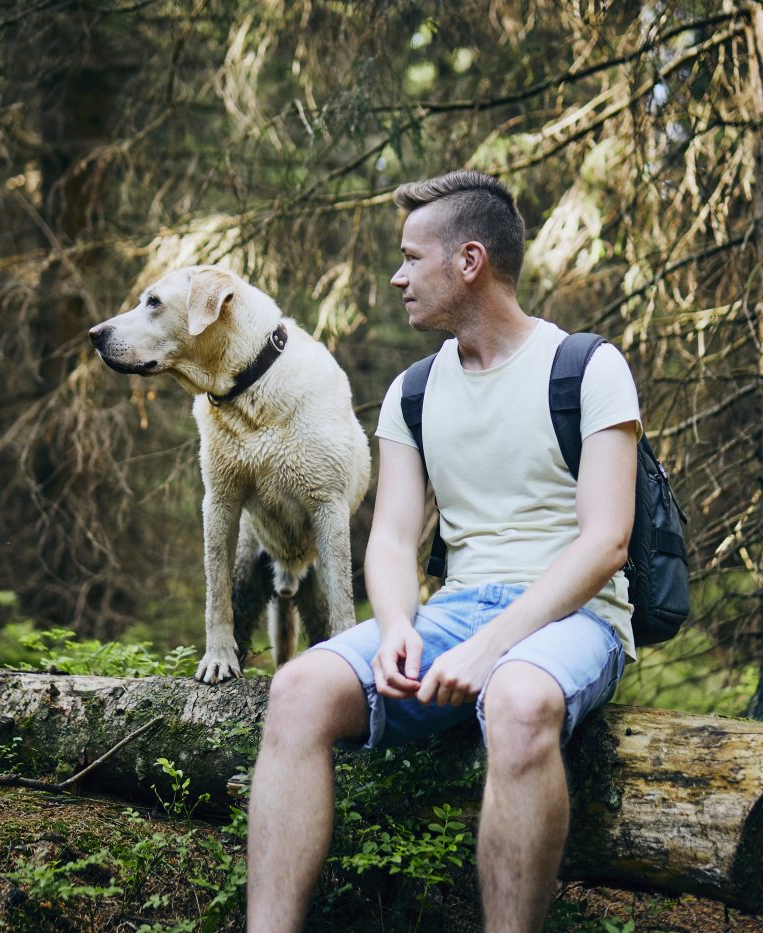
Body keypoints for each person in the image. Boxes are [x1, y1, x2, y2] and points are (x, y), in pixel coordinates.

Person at [245, 169, 642, 932]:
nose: (397, 277)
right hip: (456, 613)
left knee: (520, 698)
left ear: (469, 261)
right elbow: (392, 536)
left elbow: (605, 543)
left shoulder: (588, 368)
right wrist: (397, 623)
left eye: (410, 257)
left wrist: (495, 646)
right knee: (296, 691)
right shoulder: (414, 392)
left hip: (576, 616)